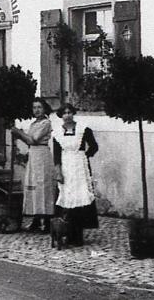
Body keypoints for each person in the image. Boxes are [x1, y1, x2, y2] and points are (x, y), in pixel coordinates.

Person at [52, 103, 99, 246]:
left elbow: (94, 146)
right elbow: (57, 155)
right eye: (64, 113)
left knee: (80, 197)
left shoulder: (83, 129)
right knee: (67, 198)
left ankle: (78, 235)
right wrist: (58, 171)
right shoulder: (57, 133)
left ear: (73, 113)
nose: (67, 115)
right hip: (66, 166)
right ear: (61, 115)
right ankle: (66, 232)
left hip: (79, 167)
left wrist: (83, 156)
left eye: (69, 112)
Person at [11, 98, 56, 232]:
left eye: (39, 107)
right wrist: (19, 136)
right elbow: (28, 141)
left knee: (43, 187)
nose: (36, 110)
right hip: (33, 155)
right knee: (34, 186)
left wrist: (19, 132)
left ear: (44, 109)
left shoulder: (46, 123)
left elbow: (33, 139)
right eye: (34, 107)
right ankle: (36, 219)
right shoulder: (33, 124)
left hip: (42, 155)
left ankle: (47, 221)